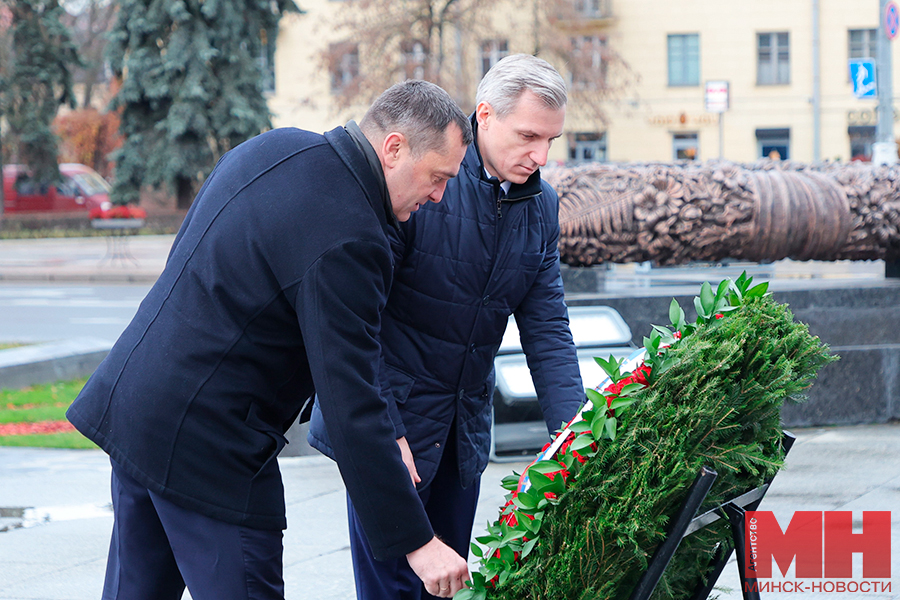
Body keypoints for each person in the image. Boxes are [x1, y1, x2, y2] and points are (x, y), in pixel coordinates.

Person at [65, 80, 474, 600]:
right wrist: (418, 542)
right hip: (210, 450)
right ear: (394, 148)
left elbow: (187, 262)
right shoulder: (352, 237)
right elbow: (351, 402)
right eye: (438, 177)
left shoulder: (275, 146)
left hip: (138, 404)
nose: (439, 196)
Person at [308, 54, 586, 600]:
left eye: (552, 140)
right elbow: (357, 322)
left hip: (463, 436)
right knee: (392, 589)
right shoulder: (419, 185)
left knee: (448, 587)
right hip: (391, 430)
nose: (541, 155)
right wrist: (386, 431)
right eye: (529, 135)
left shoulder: (541, 205)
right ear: (485, 115)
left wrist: (573, 439)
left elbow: (548, 328)